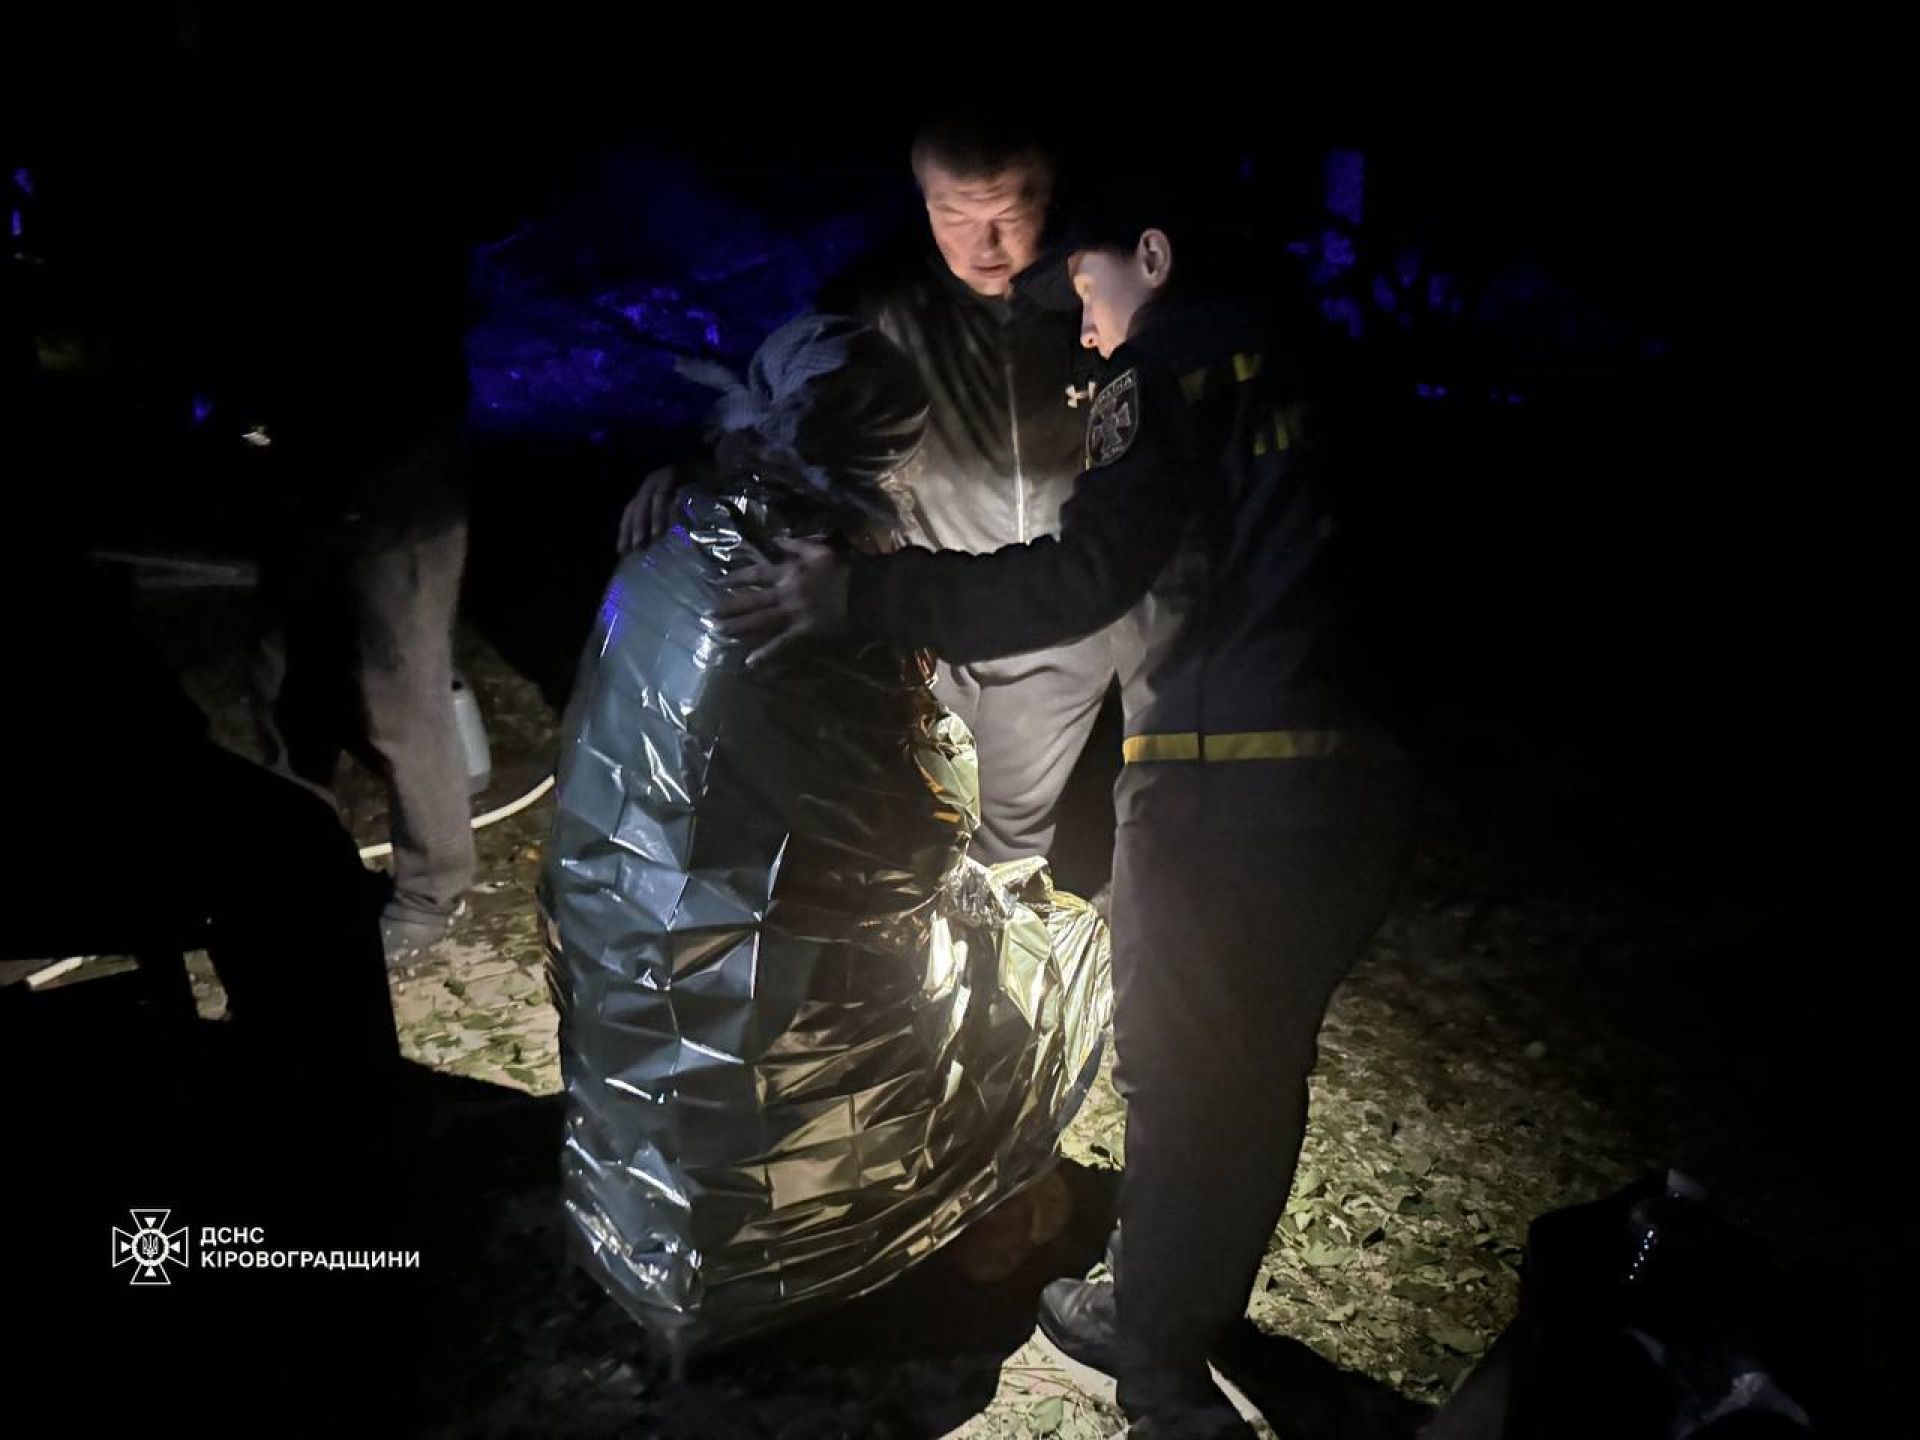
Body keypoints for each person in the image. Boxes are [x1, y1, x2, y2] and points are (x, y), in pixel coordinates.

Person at [712, 166, 1416, 1438]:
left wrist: (861, 597)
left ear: (1153, 254)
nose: (1084, 331)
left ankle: (1162, 1386)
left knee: (1185, 1080)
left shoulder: (1175, 362)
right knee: (1254, 1070)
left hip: (1227, 779)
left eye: (1087, 289)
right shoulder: (1312, 354)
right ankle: (1157, 1301)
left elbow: (1088, 572)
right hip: (1358, 779)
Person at [620, 114, 1118, 872]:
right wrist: (696, 465)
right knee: (913, 816)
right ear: (922, 198)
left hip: (1054, 620)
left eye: (1008, 213)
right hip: (918, 605)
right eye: (953, 213)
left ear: (1050, 190)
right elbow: (783, 401)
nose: (984, 245)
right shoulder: (880, 298)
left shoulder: (1097, 295)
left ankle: (1000, 937)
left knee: (1011, 834)